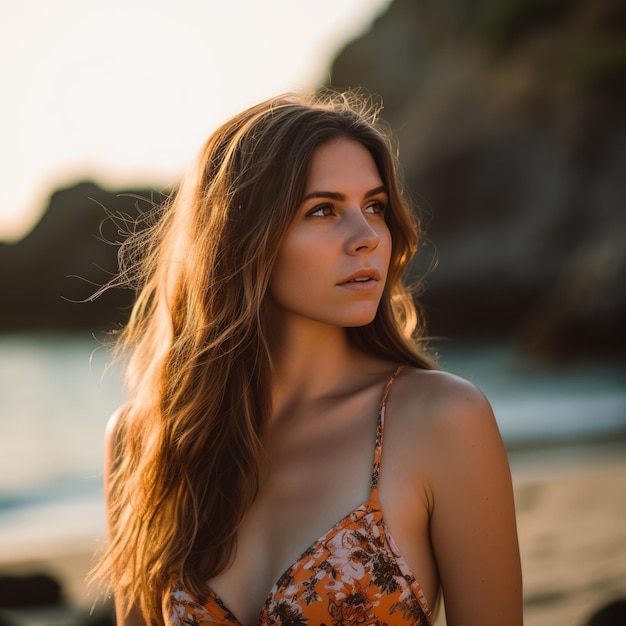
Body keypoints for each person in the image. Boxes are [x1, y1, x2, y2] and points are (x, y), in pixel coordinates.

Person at [91, 90, 522, 626]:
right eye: (322, 210)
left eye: (375, 207)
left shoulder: (442, 418)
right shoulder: (145, 444)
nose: (367, 238)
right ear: (241, 238)